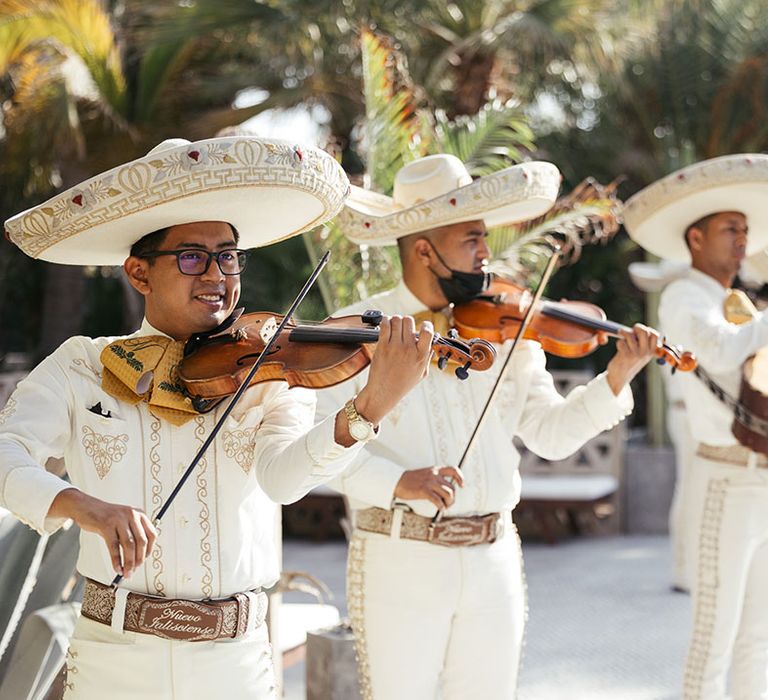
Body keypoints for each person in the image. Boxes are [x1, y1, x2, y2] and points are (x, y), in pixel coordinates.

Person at [0, 136, 435, 700]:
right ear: (139, 273)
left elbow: (283, 478)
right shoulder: (82, 364)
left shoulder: (269, 367)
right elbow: (5, 450)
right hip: (114, 659)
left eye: (227, 256)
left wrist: (369, 408)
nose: (217, 274)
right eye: (191, 257)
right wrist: (83, 506)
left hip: (236, 664)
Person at [317, 153, 661, 700]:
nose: (486, 252)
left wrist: (618, 376)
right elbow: (323, 448)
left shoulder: (510, 327)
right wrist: (398, 483)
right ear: (424, 249)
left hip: (494, 554)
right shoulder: (358, 329)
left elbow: (550, 433)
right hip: (398, 558)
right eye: (472, 239)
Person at [624, 153, 768, 700]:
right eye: (730, 229)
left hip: (761, 476)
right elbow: (720, 353)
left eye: (745, 229)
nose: (742, 238)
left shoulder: (739, 302)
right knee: (715, 637)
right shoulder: (684, 297)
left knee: (758, 638)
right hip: (724, 481)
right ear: (696, 239)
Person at [629, 259, 694, 592]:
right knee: (690, 491)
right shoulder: (682, 306)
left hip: (690, 413)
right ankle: (685, 572)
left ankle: (688, 569)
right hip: (688, 413)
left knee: (691, 491)